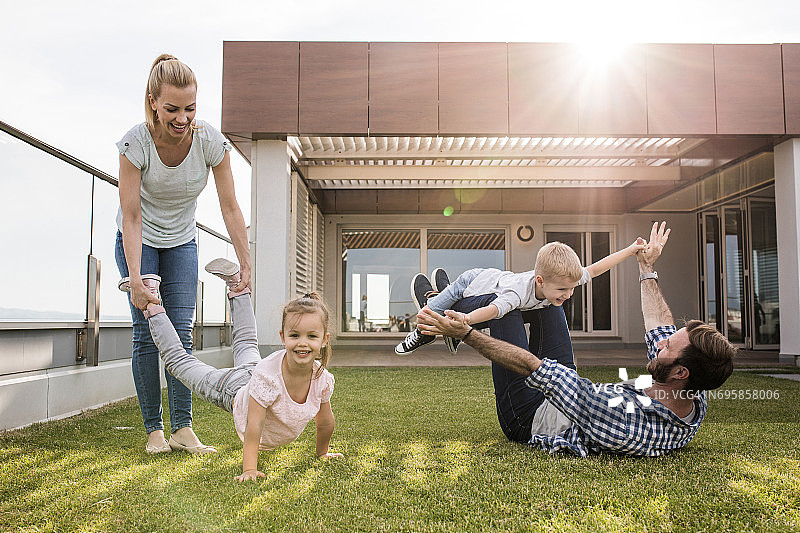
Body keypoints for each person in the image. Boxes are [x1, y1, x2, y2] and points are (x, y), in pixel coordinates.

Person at [416, 223, 738, 457]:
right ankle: (451, 298)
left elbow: (536, 369)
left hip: (529, 418)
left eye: (668, 347)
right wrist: (646, 267)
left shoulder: (633, 423)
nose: (660, 344)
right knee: (550, 299)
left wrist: (468, 334)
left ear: (681, 371)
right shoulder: (690, 386)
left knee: (506, 310)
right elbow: (660, 325)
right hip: (568, 395)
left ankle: (441, 306)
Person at [115, 54, 251, 454]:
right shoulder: (135, 144)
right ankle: (154, 431)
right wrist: (135, 279)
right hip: (138, 241)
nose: (182, 118)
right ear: (153, 102)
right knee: (146, 333)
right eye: (172, 109)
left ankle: (183, 428)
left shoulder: (210, 142)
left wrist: (246, 261)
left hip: (181, 241)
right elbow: (131, 215)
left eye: (190, 108)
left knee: (182, 333)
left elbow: (230, 206)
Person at [120, 259, 341, 480]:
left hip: (255, 373)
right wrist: (249, 469)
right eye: (295, 335)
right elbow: (254, 424)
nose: (303, 343)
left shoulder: (322, 379)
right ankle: (151, 303)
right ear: (283, 337)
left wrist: (322, 453)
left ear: (324, 340)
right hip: (232, 389)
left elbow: (325, 422)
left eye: (312, 336)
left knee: (247, 343)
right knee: (179, 363)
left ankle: (238, 287)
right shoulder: (269, 378)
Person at [395, 239, 644, 355]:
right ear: (540, 281)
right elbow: (493, 311)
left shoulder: (563, 279)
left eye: (571, 289)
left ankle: (442, 292)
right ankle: (424, 323)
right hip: (473, 281)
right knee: (434, 308)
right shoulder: (517, 294)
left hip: (497, 279)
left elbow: (596, 269)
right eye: (562, 291)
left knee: (450, 301)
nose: (568, 295)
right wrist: (466, 320)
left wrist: (631, 250)